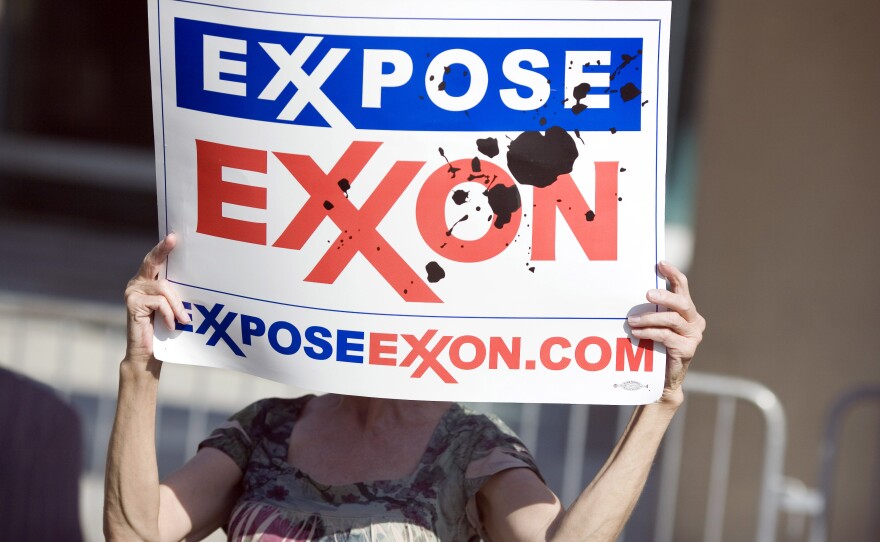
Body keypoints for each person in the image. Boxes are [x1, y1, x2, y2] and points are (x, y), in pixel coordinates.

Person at [104, 234, 705, 541]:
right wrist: (141, 367)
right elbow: (135, 532)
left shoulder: (471, 447)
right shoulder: (267, 426)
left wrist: (660, 403)